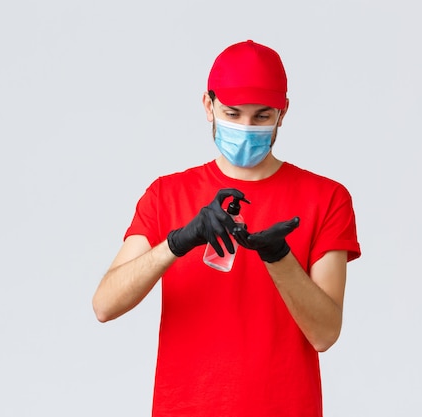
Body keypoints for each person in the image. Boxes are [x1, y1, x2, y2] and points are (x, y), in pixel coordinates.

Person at [92, 39, 361, 417]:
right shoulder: (166, 195)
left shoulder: (326, 198)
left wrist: (278, 257)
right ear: (208, 105)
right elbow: (104, 305)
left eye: (262, 117)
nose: (245, 128)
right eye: (232, 114)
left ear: (283, 113)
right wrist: (176, 242)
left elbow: (325, 334)